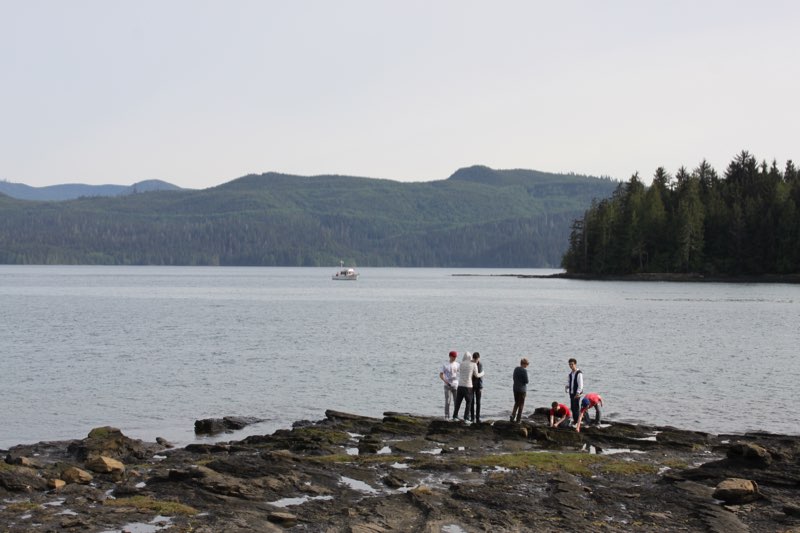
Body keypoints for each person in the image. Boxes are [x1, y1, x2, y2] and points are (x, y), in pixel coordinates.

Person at [453, 352, 477, 422]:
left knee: (458, 402)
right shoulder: (473, 364)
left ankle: (455, 416)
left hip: (460, 386)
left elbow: (458, 371)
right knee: (469, 402)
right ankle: (466, 418)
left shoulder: (461, 364)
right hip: (468, 386)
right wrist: (483, 373)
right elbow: (476, 375)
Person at [439, 351, 460, 420]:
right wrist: (445, 381)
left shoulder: (457, 364)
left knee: (456, 401)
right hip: (447, 385)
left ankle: (455, 416)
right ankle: (447, 416)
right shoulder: (445, 365)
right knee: (448, 401)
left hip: (455, 385)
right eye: (454, 356)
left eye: (455, 357)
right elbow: (441, 375)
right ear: (450, 356)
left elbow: (461, 372)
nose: (455, 358)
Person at [510, 358, 529, 423]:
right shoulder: (524, 371)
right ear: (524, 364)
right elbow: (526, 381)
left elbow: (513, 378)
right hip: (522, 390)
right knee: (521, 405)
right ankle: (518, 419)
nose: (527, 366)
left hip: (515, 388)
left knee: (516, 403)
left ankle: (512, 415)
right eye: (527, 364)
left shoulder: (516, 369)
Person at [565, 358, 583, 425]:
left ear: (575, 364)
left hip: (577, 393)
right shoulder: (570, 374)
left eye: (572, 364)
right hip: (571, 393)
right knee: (572, 407)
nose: (571, 366)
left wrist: (578, 393)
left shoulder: (579, 373)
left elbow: (580, 384)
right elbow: (568, 382)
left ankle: (577, 422)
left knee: (576, 408)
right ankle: (575, 420)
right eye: (569, 364)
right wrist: (566, 388)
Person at [468, 352, 485, 423]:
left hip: (478, 386)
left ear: (478, 358)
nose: (476, 361)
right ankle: (472, 417)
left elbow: (480, 377)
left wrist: (481, 387)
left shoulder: (480, 364)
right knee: (471, 402)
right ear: (473, 358)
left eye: (477, 359)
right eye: (475, 359)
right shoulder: (470, 364)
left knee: (478, 402)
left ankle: (477, 418)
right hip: (471, 385)